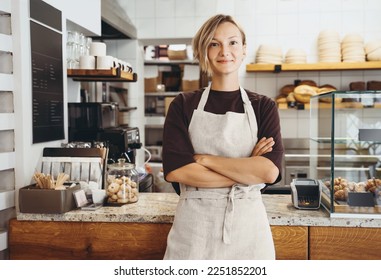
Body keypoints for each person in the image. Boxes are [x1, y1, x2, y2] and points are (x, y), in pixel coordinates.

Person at [162, 14, 284, 260]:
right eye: (214, 43)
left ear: (244, 50)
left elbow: (269, 172)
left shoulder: (263, 107)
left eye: (232, 42)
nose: (224, 51)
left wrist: (205, 160)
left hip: (248, 232)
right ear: (203, 51)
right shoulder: (183, 104)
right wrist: (246, 169)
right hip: (194, 231)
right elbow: (177, 172)